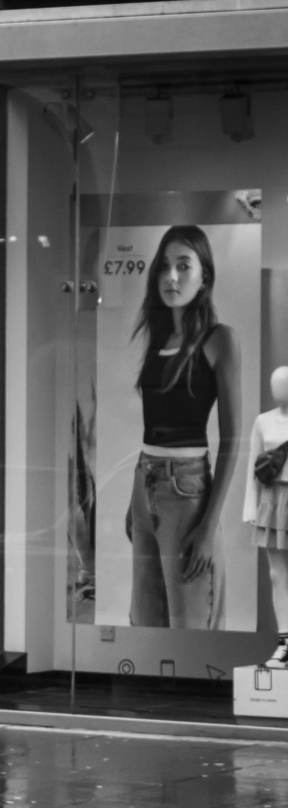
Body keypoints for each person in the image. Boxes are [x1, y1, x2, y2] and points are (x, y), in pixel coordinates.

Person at [126, 225, 241, 629]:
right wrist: (135, 500)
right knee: (145, 621)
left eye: (183, 266)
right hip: (145, 482)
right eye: (165, 266)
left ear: (204, 275)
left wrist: (209, 525)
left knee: (192, 625)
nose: (171, 277)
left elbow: (232, 440)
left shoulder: (218, 340)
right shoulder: (158, 338)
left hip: (187, 490)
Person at [243, 363, 288, 667]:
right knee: (276, 573)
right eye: (276, 384)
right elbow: (252, 467)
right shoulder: (263, 421)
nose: (277, 390)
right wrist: (250, 507)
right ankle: (285, 640)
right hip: (272, 501)